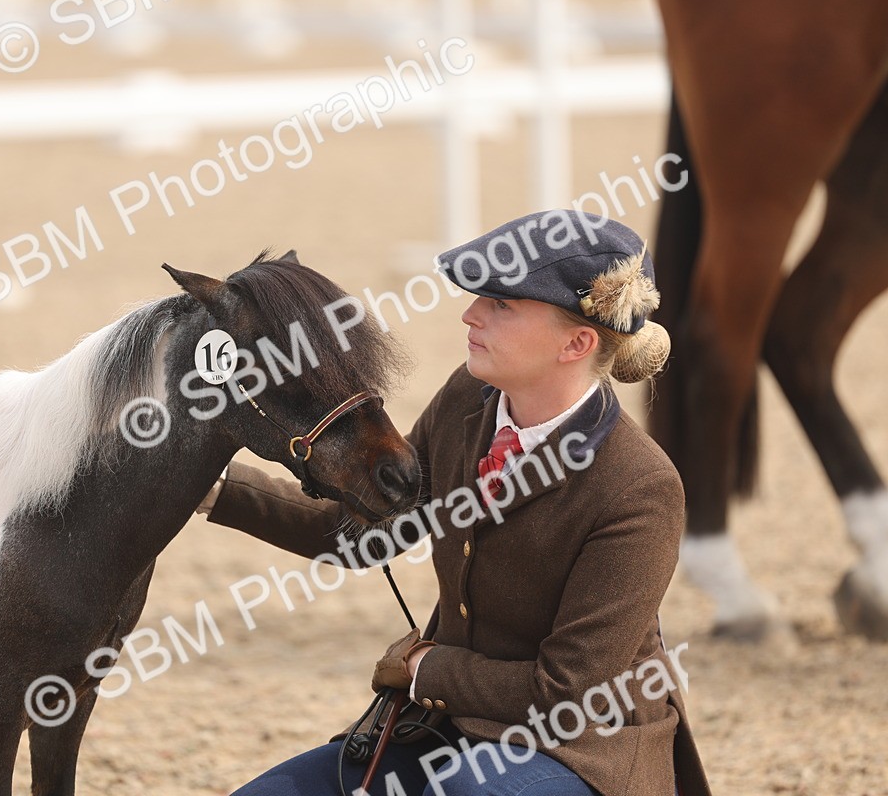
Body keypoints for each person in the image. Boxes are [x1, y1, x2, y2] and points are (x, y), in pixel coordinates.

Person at [196, 211, 712, 796]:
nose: (471, 314)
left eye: (502, 305)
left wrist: (424, 669)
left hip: (579, 750)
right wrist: (209, 485)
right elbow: (365, 531)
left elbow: (568, 693)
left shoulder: (641, 487)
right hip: (442, 728)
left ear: (578, 342)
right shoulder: (469, 398)